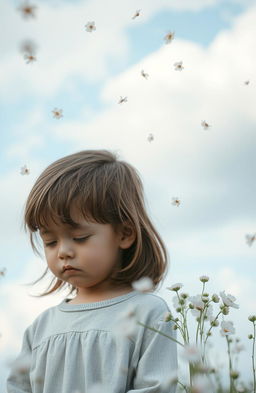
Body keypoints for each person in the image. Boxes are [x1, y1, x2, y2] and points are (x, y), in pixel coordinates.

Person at [6, 149, 178, 393]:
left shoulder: (148, 312)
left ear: (125, 233)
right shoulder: (41, 327)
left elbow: (156, 387)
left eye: (80, 237)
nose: (63, 252)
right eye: (50, 242)